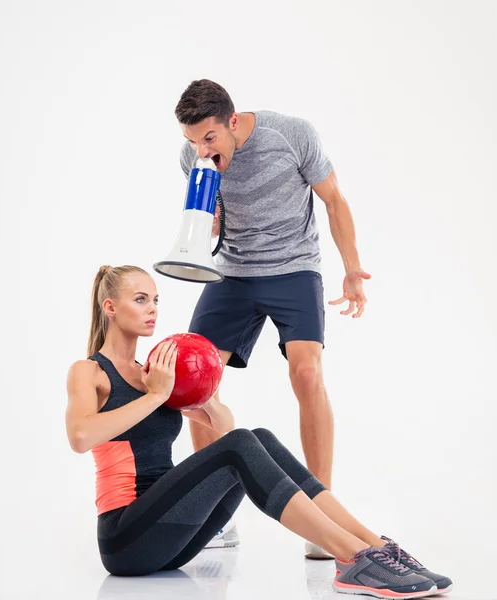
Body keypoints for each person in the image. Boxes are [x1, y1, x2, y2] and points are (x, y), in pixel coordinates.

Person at [65, 265, 452, 598]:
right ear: (110, 307)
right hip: (126, 540)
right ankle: (351, 558)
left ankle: (374, 546)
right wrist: (156, 397)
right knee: (240, 446)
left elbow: (227, 430)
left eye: (155, 300)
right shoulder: (90, 371)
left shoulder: (152, 371)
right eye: (141, 300)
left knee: (258, 437)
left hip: (171, 536)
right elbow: (80, 437)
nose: (152, 310)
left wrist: (200, 394)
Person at [176, 79, 371, 557]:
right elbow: (209, 225)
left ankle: (321, 516)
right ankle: (214, 517)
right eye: (191, 141)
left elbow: (334, 200)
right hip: (234, 275)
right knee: (197, 382)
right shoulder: (192, 160)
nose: (200, 150)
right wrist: (210, 223)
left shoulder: (292, 135)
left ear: (233, 122)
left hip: (293, 269)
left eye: (209, 138)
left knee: (306, 374)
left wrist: (351, 270)